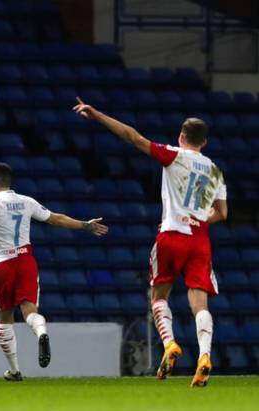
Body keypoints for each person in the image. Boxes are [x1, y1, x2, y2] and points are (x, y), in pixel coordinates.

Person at [73, 97, 228, 387]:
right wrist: (196, 219)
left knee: (159, 297)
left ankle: (170, 344)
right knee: (200, 303)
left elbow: (133, 137)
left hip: (170, 235)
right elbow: (222, 213)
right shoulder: (215, 171)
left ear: (181, 137)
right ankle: (205, 356)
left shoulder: (173, 155)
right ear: (204, 143)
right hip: (199, 240)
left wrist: (97, 115)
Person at [0, 162, 108, 381]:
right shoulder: (27, 202)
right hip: (25, 261)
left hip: (1, 264)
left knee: (5, 318)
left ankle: (15, 371)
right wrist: (84, 225)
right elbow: (56, 218)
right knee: (29, 311)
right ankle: (41, 332)